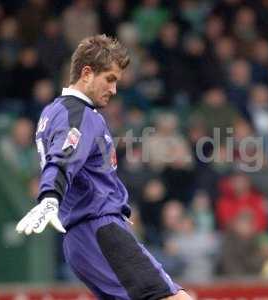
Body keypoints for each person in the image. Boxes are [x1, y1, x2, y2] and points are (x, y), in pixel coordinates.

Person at [16, 34, 192, 300]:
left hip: (82, 237)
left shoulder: (53, 111)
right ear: (86, 73)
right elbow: (63, 157)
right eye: (110, 79)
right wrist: (50, 197)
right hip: (100, 230)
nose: (114, 89)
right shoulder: (78, 113)